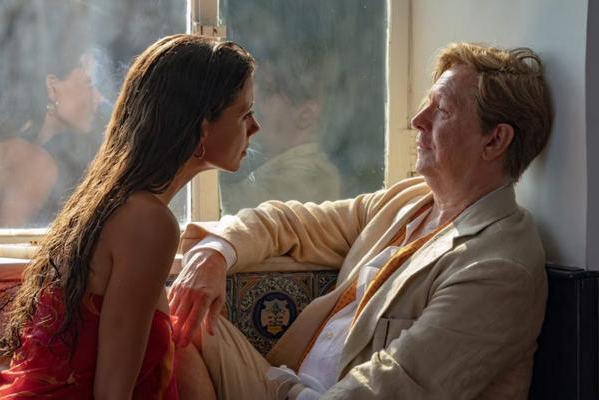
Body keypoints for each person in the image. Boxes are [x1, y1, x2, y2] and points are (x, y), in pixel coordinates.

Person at [170, 42, 553, 399]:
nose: (417, 120)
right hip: (285, 385)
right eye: (427, 104)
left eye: (443, 111)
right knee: (170, 312)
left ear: (495, 140)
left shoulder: (501, 266)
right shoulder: (409, 200)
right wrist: (216, 253)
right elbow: (289, 222)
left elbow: (399, 383)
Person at [0, 34, 259, 399]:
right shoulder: (149, 223)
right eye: (244, 114)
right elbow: (113, 392)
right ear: (202, 127)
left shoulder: (118, 203)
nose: (255, 128)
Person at [219, 0, 341, 215]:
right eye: (252, 89)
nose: (252, 101)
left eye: (267, 90)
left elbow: (216, 210)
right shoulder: (280, 170)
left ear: (305, 114)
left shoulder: (306, 182)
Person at [0, 2, 103, 227]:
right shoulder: (36, 162)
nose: (98, 97)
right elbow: (10, 240)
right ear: (53, 87)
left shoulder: (21, 145)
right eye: (87, 83)